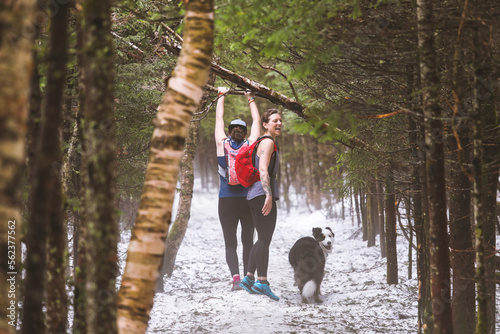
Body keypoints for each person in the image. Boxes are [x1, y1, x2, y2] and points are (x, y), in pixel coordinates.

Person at [215, 87, 261, 291]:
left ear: (230, 130)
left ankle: (235, 280)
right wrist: (250, 97)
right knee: (248, 241)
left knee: (230, 243)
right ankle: (247, 279)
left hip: (226, 200)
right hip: (247, 198)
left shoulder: (221, 143)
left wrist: (221, 96)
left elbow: (219, 118)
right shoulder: (250, 145)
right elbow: (258, 123)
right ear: (243, 132)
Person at [239, 108, 282, 301]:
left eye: (280, 120)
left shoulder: (262, 141)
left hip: (253, 195)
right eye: (275, 120)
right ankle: (262, 282)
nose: (279, 123)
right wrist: (268, 195)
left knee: (261, 238)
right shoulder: (267, 142)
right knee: (264, 239)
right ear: (266, 124)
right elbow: (263, 169)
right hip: (260, 194)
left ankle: (249, 277)